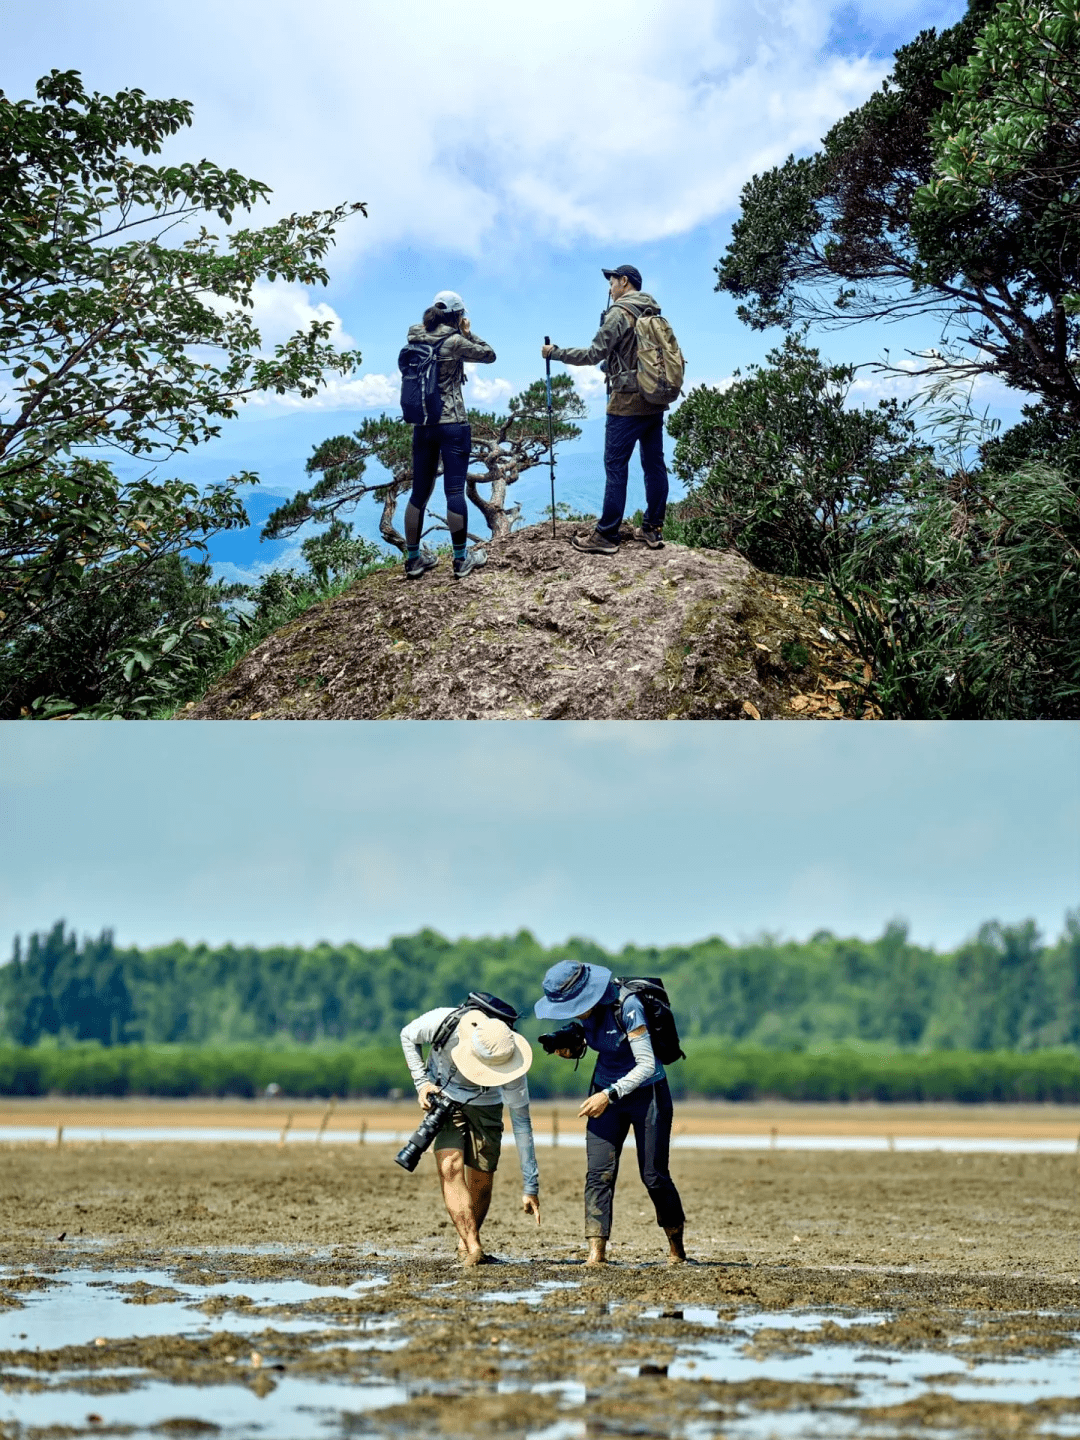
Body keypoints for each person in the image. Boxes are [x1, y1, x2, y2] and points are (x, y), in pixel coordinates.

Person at [534, 960, 686, 1266]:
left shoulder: (628, 1007)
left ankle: (676, 1251)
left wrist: (609, 1094)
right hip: (605, 1090)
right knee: (598, 1174)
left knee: (654, 1176)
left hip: (647, 1092)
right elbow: (600, 1041)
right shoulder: (586, 1015)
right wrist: (571, 1049)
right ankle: (596, 1255)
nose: (572, 1012)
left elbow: (645, 1064)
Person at [541, 265, 670, 555]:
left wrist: (556, 353)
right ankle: (652, 527)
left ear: (624, 282)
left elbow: (592, 354)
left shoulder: (619, 313)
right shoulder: (653, 312)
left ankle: (607, 535)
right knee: (654, 463)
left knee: (615, 466)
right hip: (655, 398)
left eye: (612, 283)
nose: (610, 289)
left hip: (625, 402)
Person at [400, 1002, 540, 1264]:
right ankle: (474, 1246)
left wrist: (530, 1185)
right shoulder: (444, 1021)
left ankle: (465, 1243)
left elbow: (522, 1125)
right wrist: (422, 1083)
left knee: (482, 1178)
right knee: (450, 1168)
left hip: (487, 1106)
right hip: (443, 1096)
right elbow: (407, 1035)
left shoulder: (513, 1067)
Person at [404, 291, 496, 580]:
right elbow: (489, 354)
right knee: (454, 491)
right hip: (452, 423)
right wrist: (469, 333)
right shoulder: (454, 341)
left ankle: (413, 559)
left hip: (422, 424)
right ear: (457, 315)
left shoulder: (414, 338)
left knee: (419, 492)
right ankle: (460, 561)